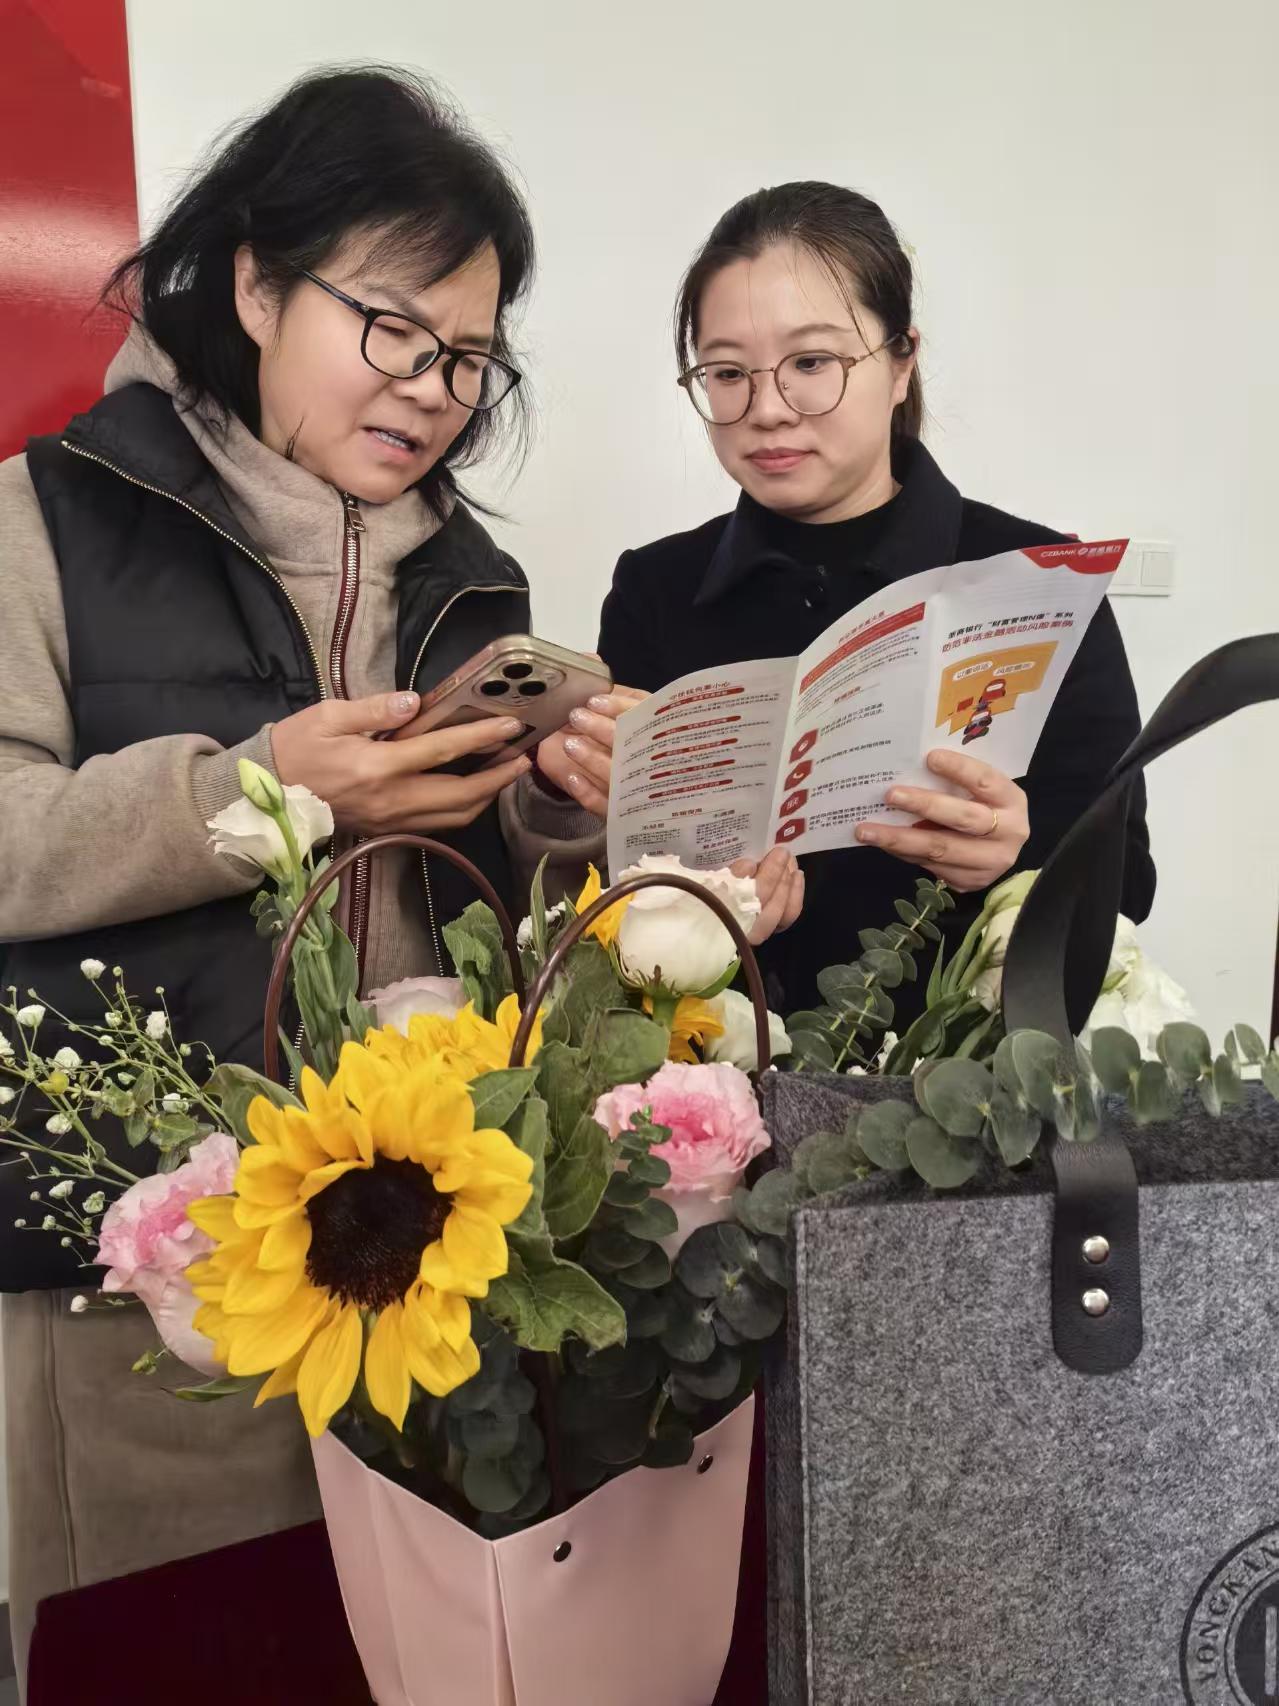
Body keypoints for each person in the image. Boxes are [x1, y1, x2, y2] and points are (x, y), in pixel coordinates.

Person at [0, 66, 606, 1686]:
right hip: (159, 1288)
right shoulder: (46, 518)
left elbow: (506, 924)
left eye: (466, 357)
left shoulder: (475, 582)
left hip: (433, 1275)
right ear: (257, 285)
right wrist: (256, 793)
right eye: (390, 328)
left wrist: (565, 822)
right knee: (171, 1659)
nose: (429, 390)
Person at [594, 182, 1155, 1019]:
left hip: (962, 1076)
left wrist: (1017, 853)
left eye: (811, 364)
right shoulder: (655, 587)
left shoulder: (1035, 581)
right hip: (712, 1064)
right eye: (727, 373)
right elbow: (611, 891)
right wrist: (696, 901)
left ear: (900, 363)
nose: (766, 410)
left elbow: (1129, 884)